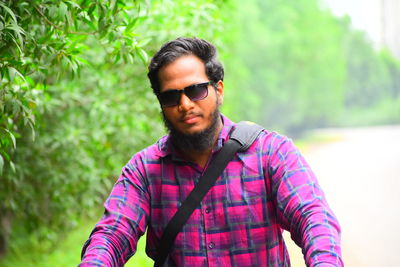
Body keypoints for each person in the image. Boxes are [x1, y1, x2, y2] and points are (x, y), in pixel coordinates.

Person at [79, 37, 343, 267]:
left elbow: (313, 216)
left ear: (218, 90)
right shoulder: (145, 170)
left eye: (195, 90)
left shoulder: (271, 153)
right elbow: (112, 235)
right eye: (171, 97)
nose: (184, 105)